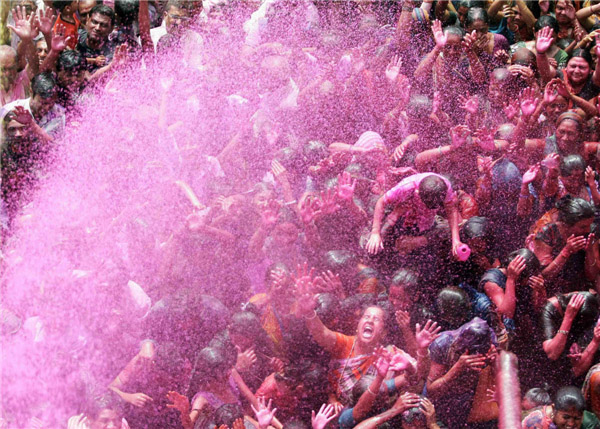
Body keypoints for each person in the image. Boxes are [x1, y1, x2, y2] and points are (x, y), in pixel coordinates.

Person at [365, 173, 465, 260]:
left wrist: (456, 240)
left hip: (425, 225)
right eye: (426, 204)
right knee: (376, 248)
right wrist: (375, 232)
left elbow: (451, 210)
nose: (428, 208)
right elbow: (381, 202)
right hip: (400, 219)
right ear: (417, 193)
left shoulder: (445, 188)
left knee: (427, 261)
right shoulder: (406, 188)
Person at [521, 385, 600, 428]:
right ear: (554, 410)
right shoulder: (536, 423)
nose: (571, 424)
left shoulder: (590, 423)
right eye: (566, 417)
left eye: (577, 418)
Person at [77, 4, 117, 72]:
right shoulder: (75, 37)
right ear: (87, 21)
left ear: (111, 29)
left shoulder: (112, 54)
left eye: (103, 25)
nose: (97, 28)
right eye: (94, 22)